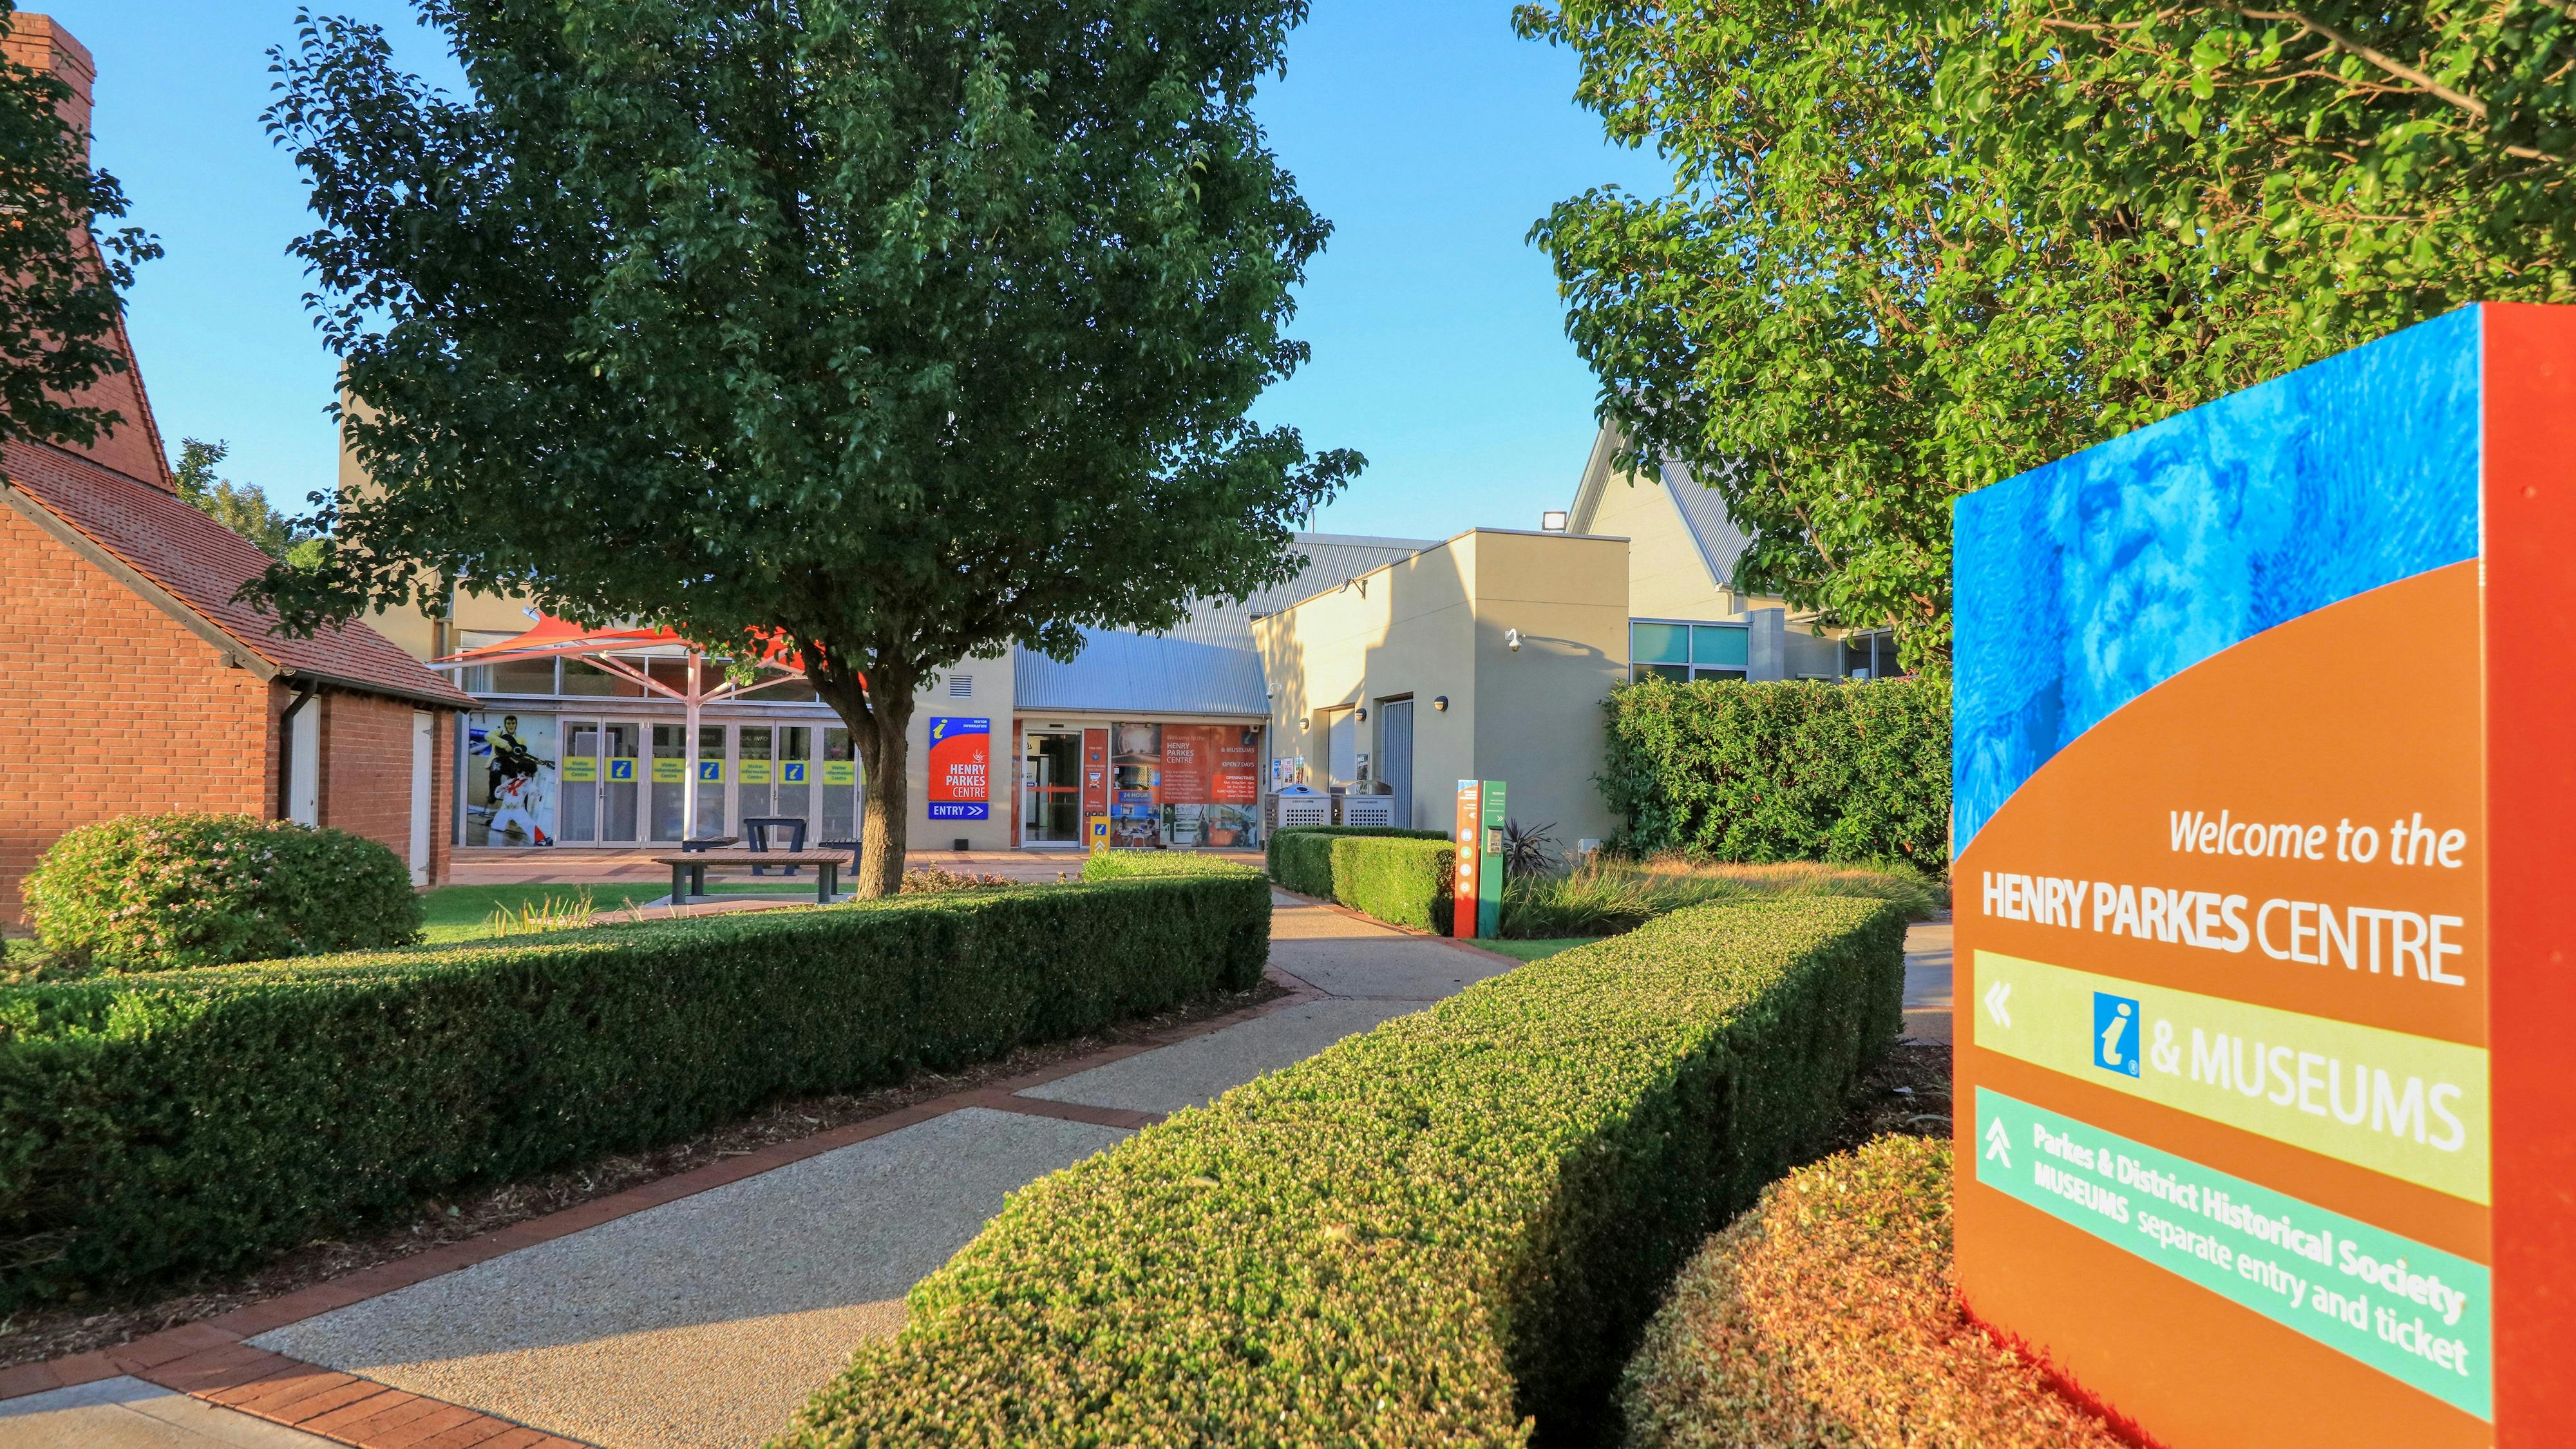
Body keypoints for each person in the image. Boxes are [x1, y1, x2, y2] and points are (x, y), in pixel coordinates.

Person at [484, 715, 554, 846]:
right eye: (509, 723)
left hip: (512, 769)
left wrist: (535, 791)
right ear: (505, 724)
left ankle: (541, 836)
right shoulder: (498, 733)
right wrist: (504, 744)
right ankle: (492, 796)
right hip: (499, 761)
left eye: (513, 723)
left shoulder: (520, 739)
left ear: (516, 725)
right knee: (495, 769)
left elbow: (522, 757)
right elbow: (487, 736)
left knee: (525, 822)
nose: (511, 725)